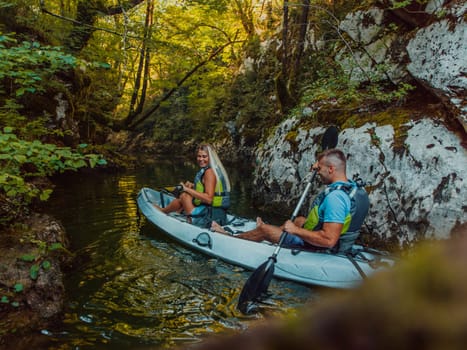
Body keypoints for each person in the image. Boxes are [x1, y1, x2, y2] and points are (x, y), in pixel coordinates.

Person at [211, 148, 369, 253]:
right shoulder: (352, 188)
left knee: (268, 230)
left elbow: (328, 240)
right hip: (343, 243)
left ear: (331, 169)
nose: (317, 173)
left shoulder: (336, 198)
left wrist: (295, 231)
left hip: (322, 248)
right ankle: (271, 233)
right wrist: (319, 164)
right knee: (300, 220)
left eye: (319, 169)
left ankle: (234, 237)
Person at [155, 143, 231, 227]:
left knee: (184, 195)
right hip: (219, 215)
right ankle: (167, 211)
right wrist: (193, 186)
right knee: (185, 197)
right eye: (199, 156)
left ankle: (170, 213)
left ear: (210, 157)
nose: (201, 159)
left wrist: (187, 189)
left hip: (211, 218)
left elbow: (209, 199)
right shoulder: (214, 169)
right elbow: (209, 188)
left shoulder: (209, 172)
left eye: (204, 156)